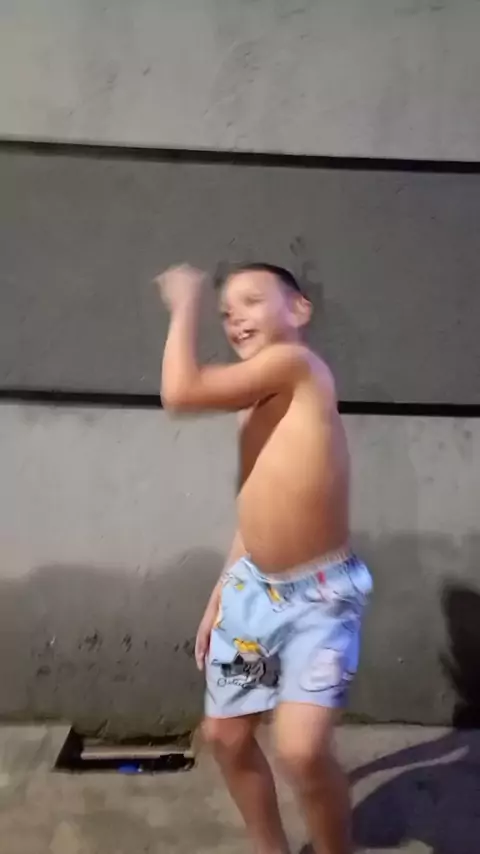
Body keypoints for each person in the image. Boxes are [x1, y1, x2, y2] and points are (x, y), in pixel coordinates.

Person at [157, 262, 372, 854]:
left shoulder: (297, 367)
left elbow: (181, 393)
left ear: (299, 309)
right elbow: (255, 510)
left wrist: (186, 302)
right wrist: (221, 594)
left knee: (302, 750)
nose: (235, 318)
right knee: (226, 736)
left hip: (319, 598)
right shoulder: (256, 402)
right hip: (253, 593)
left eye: (252, 300)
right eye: (225, 312)